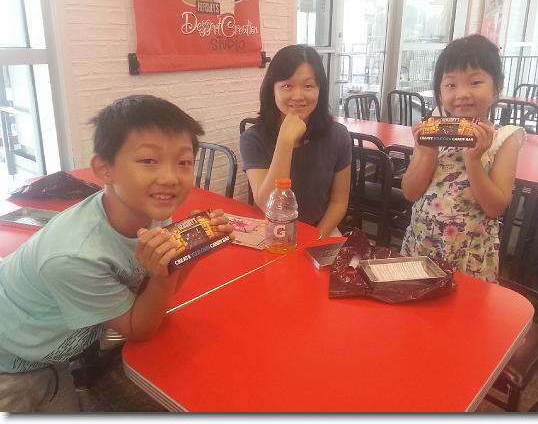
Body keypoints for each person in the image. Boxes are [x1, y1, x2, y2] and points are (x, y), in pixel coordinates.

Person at [0, 95, 233, 412]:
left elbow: (153, 295)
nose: (170, 178)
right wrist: (168, 271)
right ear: (104, 169)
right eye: (148, 160)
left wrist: (193, 247)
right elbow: (140, 328)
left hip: (52, 353)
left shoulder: (150, 211)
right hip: (12, 366)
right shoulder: (75, 257)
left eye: (184, 162)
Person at [401, 34, 525, 283]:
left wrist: (474, 161)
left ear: (497, 87)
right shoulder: (432, 129)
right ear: (439, 91)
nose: (462, 93)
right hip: (423, 242)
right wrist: (428, 154)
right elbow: (410, 193)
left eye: (475, 82)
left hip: (470, 252)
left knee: (463, 306)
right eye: (451, 85)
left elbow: (495, 208)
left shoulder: (504, 139)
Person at [240, 44, 351, 238]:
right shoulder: (253, 139)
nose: (298, 96)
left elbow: (338, 203)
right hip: (269, 230)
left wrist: (315, 238)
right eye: (287, 86)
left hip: (320, 230)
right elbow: (267, 205)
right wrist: (285, 142)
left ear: (320, 90)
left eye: (308, 86)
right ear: (272, 90)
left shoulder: (338, 135)